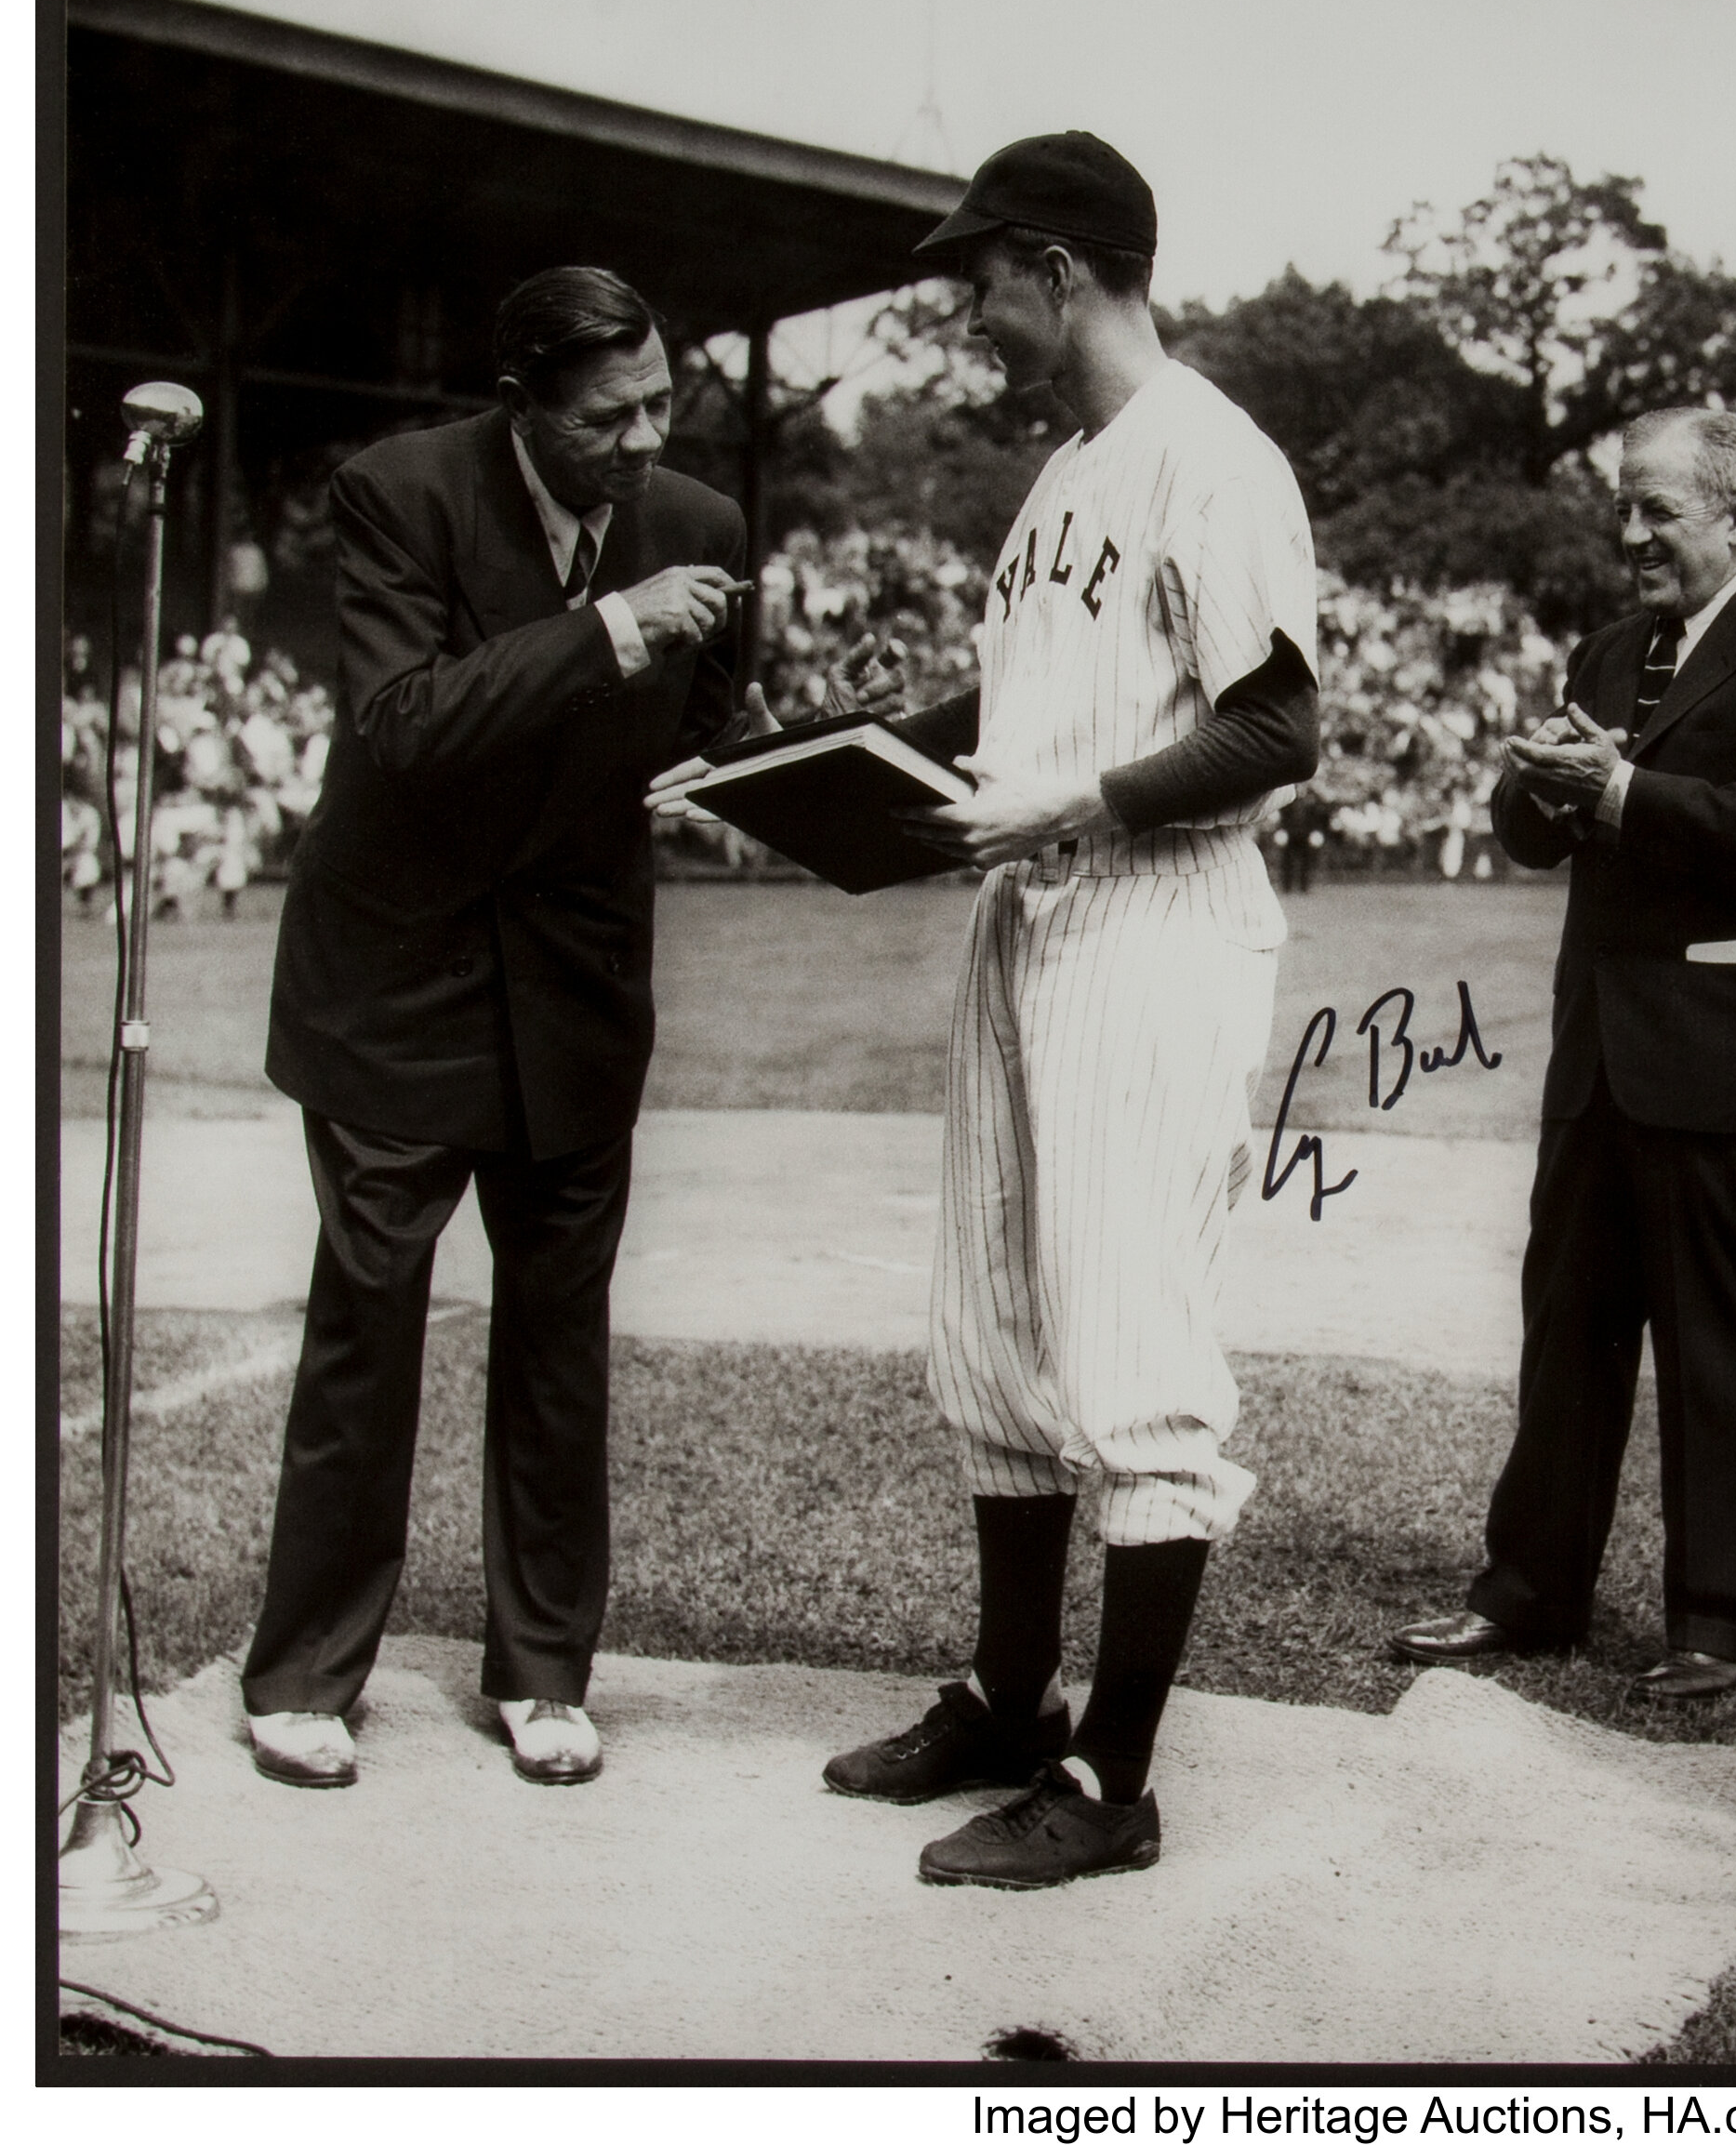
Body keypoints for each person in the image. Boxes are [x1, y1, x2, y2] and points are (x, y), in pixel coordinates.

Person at [663, 133, 1319, 1890]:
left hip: (1154, 921)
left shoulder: (1213, 457)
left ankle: (1114, 1782)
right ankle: (1011, 1694)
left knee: (1130, 1350)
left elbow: (1277, 731)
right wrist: (851, 746)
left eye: (980, 279)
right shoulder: (1057, 485)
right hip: (1034, 913)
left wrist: (1073, 802)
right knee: (995, 1324)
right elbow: (1022, 712)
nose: (967, 313)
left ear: (1059, 267)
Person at [243, 267, 748, 1790]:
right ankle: (309, 1673)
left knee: (558, 1335)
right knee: (369, 1318)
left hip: (580, 986)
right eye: (608, 417)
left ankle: (543, 1668)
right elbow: (400, 726)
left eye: (662, 400)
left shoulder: (703, 529)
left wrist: (796, 740)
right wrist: (608, 629)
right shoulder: (399, 491)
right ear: (522, 399)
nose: (644, 438)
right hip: (400, 981)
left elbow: (706, 727)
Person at [1385, 407, 1736, 1702]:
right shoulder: (1613, 649)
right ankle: (1529, 1589)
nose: (1630, 533)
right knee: (1567, 1332)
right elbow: (1527, 833)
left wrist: (1616, 791)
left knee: (1724, 1351)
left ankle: (1716, 1623)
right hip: (1600, 1059)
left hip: (1730, 1062)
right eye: (1626, 506)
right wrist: (1539, 779)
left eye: (1656, 508)